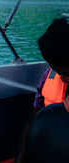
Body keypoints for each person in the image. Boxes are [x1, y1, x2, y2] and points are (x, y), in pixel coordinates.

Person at [16, 17, 69, 163]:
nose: (63, 78)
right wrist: (21, 156)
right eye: (59, 72)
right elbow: (32, 120)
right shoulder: (48, 77)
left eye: (68, 73)